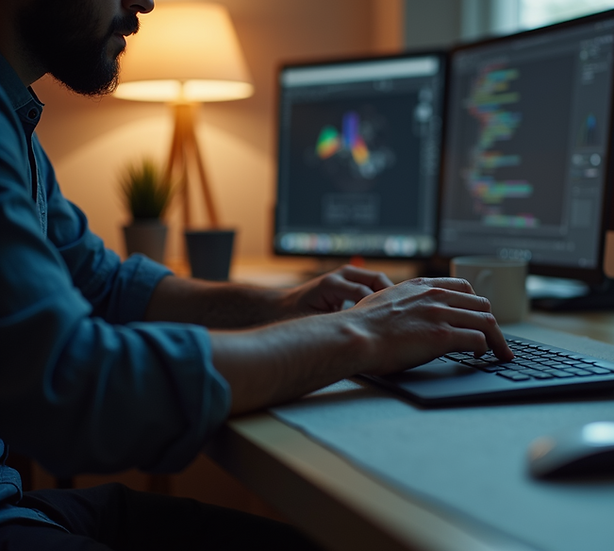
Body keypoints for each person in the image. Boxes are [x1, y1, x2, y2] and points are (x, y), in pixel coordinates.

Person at [0, 0, 513, 548]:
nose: (144, 2)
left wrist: (281, 305)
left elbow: (106, 286)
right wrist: (364, 333)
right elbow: (75, 381)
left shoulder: (15, 121)